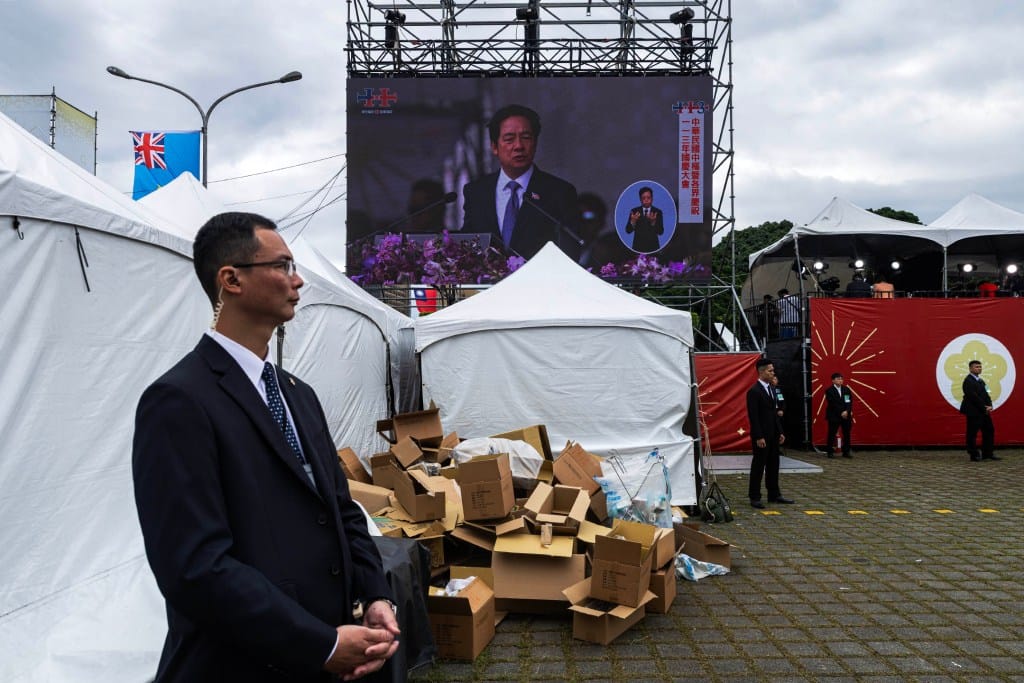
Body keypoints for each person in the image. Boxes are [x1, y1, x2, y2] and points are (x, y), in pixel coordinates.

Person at [132, 212, 400, 682]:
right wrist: (319, 644)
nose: (298, 281)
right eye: (282, 266)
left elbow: (341, 509)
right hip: (240, 664)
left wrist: (375, 594)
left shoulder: (298, 394)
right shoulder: (179, 400)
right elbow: (195, 567)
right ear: (231, 280)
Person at [461, 104, 580, 260]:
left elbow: (569, 251)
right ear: (494, 147)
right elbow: (468, 245)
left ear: (535, 143)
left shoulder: (559, 192)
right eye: (509, 139)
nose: (518, 146)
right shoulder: (476, 192)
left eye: (526, 138)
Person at [746, 358, 793, 508]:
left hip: (773, 434)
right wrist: (759, 436)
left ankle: (774, 494)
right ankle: (754, 496)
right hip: (762, 436)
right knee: (759, 466)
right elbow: (753, 416)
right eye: (770, 370)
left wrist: (780, 431)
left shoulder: (772, 389)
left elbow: (774, 413)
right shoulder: (754, 391)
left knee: (774, 465)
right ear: (761, 372)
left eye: (773, 370)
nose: (773, 373)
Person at [960, 359, 999, 462]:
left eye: (980, 367)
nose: (979, 368)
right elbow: (973, 397)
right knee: (972, 433)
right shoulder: (967, 381)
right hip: (973, 411)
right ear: (970, 369)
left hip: (984, 411)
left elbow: (987, 394)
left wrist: (990, 405)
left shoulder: (982, 381)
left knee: (989, 431)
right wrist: (984, 407)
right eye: (976, 367)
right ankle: (974, 455)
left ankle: (988, 453)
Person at [625, 186, 665, 253]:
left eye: (648, 197)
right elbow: (628, 230)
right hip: (637, 248)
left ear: (652, 198)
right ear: (640, 199)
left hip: (653, 248)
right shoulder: (634, 211)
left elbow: (660, 232)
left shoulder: (657, 212)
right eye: (643, 198)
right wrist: (633, 221)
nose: (646, 200)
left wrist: (653, 222)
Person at [824, 372, 853, 458]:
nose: (840, 380)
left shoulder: (846, 389)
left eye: (841, 379)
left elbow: (848, 401)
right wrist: (841, 412)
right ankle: (830, 452)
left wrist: (847, 411)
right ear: (833, 380)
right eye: (838, 379)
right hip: (834, 415)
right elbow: (832, 403)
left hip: (846, 415)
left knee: (846, 433)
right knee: (832, 433)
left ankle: (846, 451)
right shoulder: (829, 390)